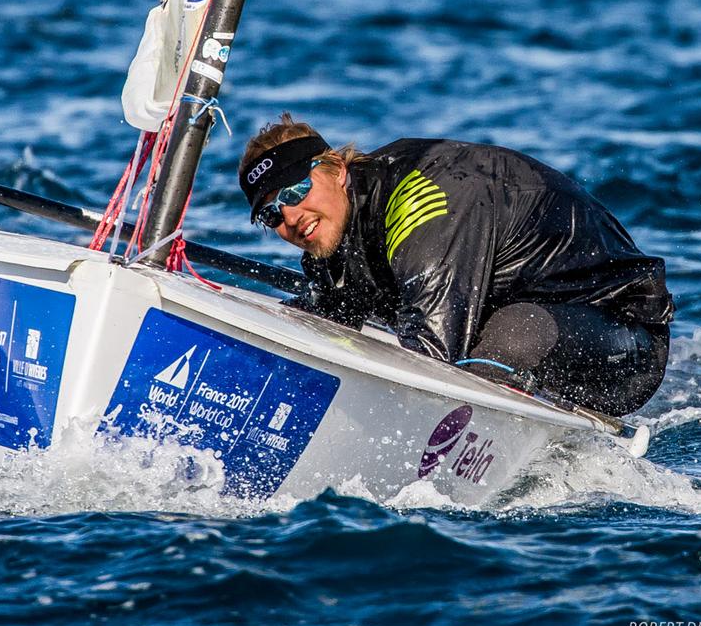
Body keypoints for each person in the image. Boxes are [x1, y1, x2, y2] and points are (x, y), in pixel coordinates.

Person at [238, 114, 674, 416]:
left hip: (622, 337)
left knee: (515, 329)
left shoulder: (422, 200)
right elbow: (328, 313)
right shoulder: (335, 234)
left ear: (335, 168)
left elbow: (432, 357)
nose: (291, 217)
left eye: (295, 192)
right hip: (505, 325)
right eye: (272, 214)